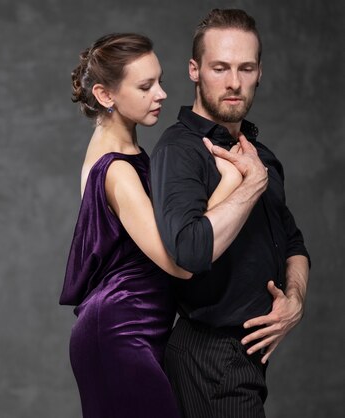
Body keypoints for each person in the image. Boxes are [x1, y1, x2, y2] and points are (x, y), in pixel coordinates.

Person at [59, 33, 267, 418]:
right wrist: (232, 182)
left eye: (160, 81)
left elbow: (180, 238)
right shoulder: (116, 169)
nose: (162, 94)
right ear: (106, 96)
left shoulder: (126, 152)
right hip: (121, 331)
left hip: (137, 326)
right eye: (145, 86)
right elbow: (180, 261)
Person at [150, 9, 311, 417]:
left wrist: (294, 299)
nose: (234, 82)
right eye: (220, 67)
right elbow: (187, 250)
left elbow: (293, 242)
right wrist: (250, 186)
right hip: (208, 356)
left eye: (246, 68)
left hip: (246, 358)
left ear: (260, 73)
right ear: (194, 70)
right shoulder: (180, 150)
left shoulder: (263, 158)